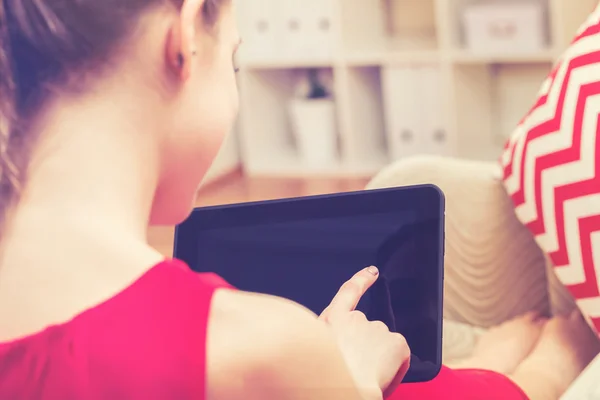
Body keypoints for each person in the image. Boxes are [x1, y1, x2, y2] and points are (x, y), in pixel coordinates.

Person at [0, 0, 597, 399]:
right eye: (233, 60)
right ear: (182, 42)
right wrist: (347, 377)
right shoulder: (252, 347)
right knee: (510, 369)